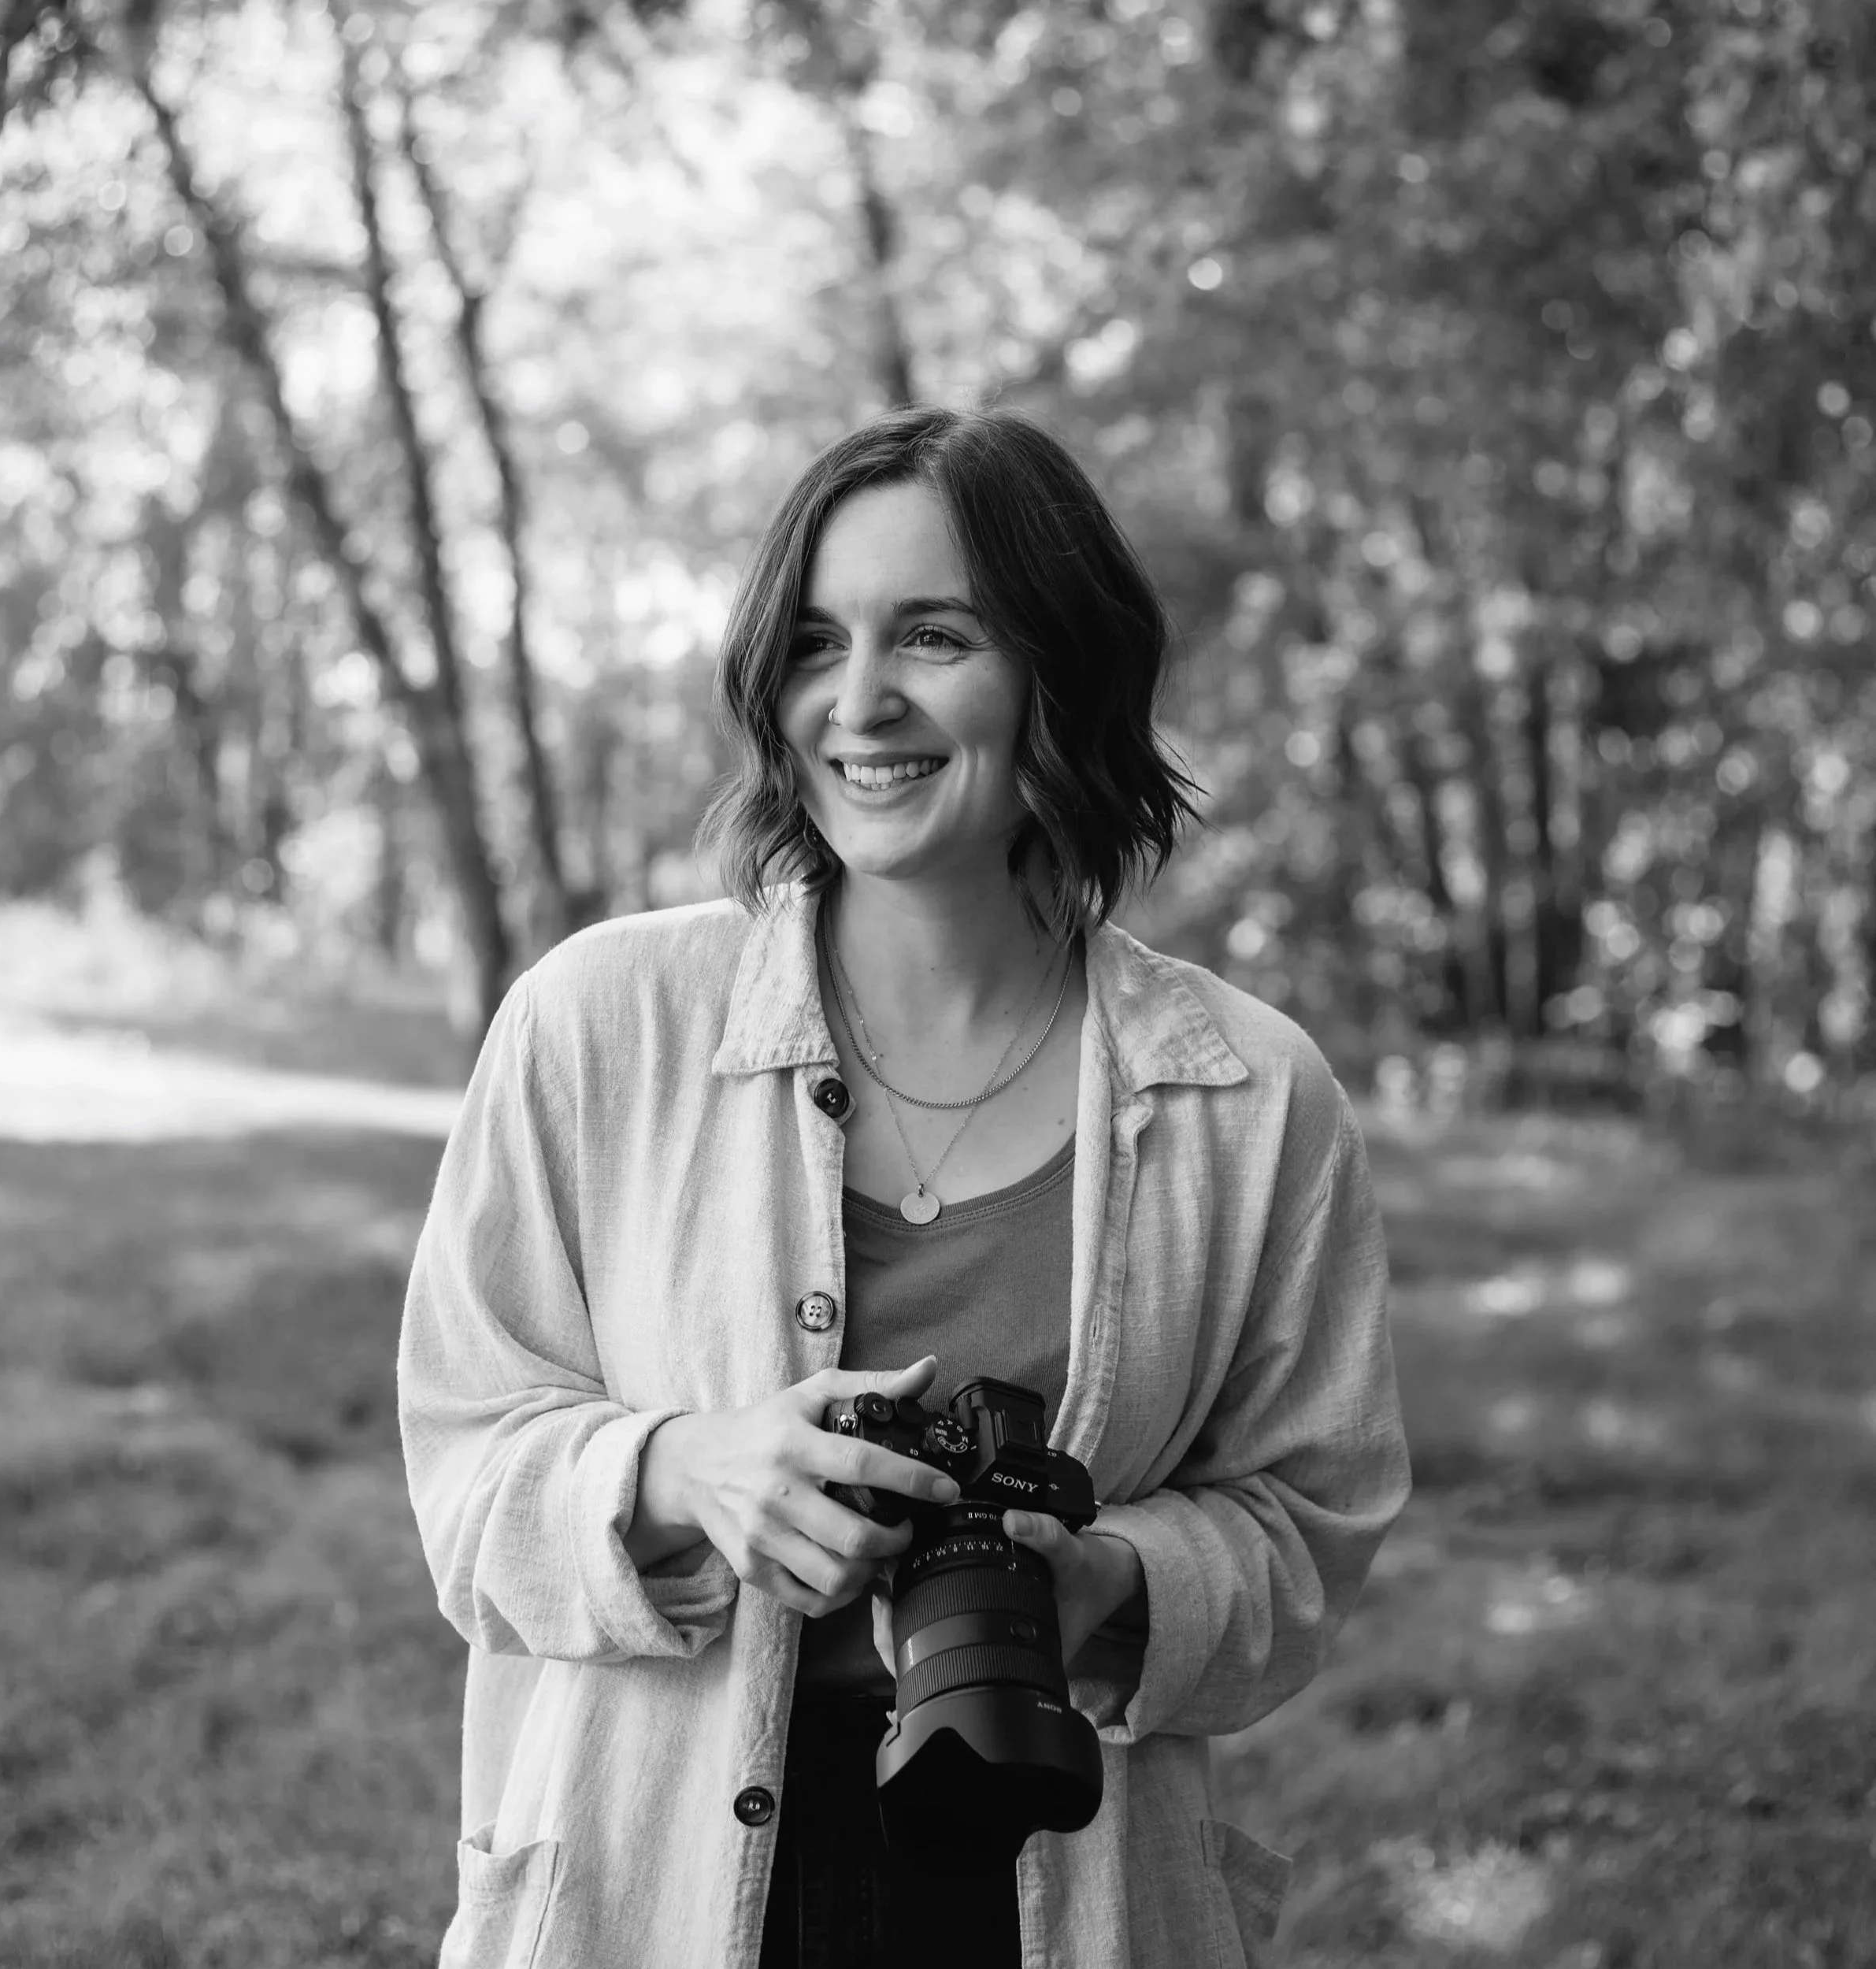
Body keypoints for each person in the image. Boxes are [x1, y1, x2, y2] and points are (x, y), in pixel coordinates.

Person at [399, 406, 1411, 1969]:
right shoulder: (597, 1024)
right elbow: (463, 1480)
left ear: (1055, 668)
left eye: (929, 635)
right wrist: (688, 1469)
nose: (857, 700)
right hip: (642, 1880)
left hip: (1062, 1881)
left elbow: (1303, 1527)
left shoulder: (1250, 1097)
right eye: (812, 643)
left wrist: (1106, 1578)